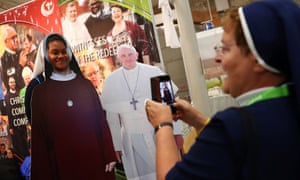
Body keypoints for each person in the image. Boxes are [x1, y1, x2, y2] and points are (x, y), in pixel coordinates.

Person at [145, 0, 300, 179]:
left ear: (258, 58)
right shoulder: (288, 108)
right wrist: (201, 122)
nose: (217, 58)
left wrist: (163, 125)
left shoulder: (233, 127)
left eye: (225, 49)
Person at [30, 33, 116, 179]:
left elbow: (100, 122)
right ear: (46, 56)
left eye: (64, 51)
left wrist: (109, 154)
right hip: (62, 165)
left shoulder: (85, 85)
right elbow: (39, 137)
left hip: (94, 160)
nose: (61, 56)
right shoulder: (40, 93)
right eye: (55, 52)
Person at [101, 44, 183, 180]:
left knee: (168, 170)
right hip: (130, 138)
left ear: (137, 55)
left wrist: (177, 132)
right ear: (118, 59)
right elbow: (112, 118)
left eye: (130, 54)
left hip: (157, 132)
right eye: (123, 56)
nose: (127, 58)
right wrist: (116, 146)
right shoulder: (111, 80)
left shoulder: (154, 72)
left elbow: (170, 104)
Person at [5, 76, 29, 160]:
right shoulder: (7, 97)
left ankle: (28, 162)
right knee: (18, 145)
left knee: (25, 143)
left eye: (14, 82)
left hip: (22, 123)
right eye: (11, 82)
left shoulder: (19, 93)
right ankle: (21, 162)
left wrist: (25, 121)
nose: (13, 83)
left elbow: (22, 108)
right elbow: (9, 112)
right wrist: (11, 127)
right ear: (8, 84)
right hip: (14, 126)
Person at [0, 25, 25, 92]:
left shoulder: (21, 52)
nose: (16, 40)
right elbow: (12, 82)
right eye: (13, 38)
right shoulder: (4, 59)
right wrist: (20, 65)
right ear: (6, 41)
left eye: (16, 36)